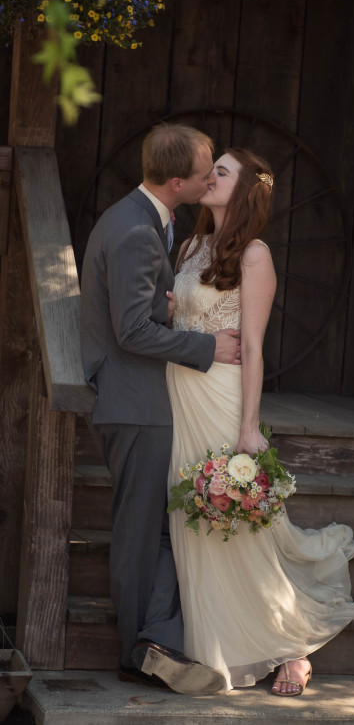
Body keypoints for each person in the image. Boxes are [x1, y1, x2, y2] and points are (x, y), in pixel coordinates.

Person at [166, 147, 354, 697]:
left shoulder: (255, 256)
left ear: (246, 188)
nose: (208, 178)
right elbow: (180, 320)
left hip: (222, 400)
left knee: (233, 527)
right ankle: (211, 648)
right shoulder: (189, 245)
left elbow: (253, 347)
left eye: (220, 173)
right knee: (194, 525)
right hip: (181, 395)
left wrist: (249, 428)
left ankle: (290, 647)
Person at [80, 123, 242, 694]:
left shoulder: (148, 217)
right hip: (135, 401)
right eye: (204, 174)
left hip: (143, 397)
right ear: (177, 182)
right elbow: (129, 331)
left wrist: (168, 310)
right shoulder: (134, 232)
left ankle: (153, 639)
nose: (209, 180)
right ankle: (138, 654)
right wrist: (206, 346)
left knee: (155, 527)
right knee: (141, 532)